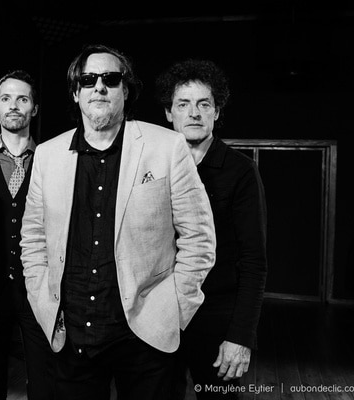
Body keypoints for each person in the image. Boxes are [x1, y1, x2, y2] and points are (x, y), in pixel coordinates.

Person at [20, 43, 216, 400]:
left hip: (145, 337)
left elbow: (199, 239)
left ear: (125, 90)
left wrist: (174, 309)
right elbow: (32, 238)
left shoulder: (167, 146)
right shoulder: (47, 155)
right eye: (88, 80)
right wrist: (41, 299)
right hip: (72, 335)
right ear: (76, 92)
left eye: (110, 79)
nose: (99, 87)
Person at [155, 59, 267, 398]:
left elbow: (254, 260)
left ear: (216, 112)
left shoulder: (241, 171)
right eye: (183, 104)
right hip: (161, 314)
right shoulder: (152, 167)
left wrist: (241, 337)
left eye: (204, 104)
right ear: (169, 113)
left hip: (217, 317)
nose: (194, 113)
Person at [0, 70, 55, 399]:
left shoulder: (53, 162)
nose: (14, 105)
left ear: (35, 108)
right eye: (6, 98)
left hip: (39, 289)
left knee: (45, 382)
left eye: (22, 99)